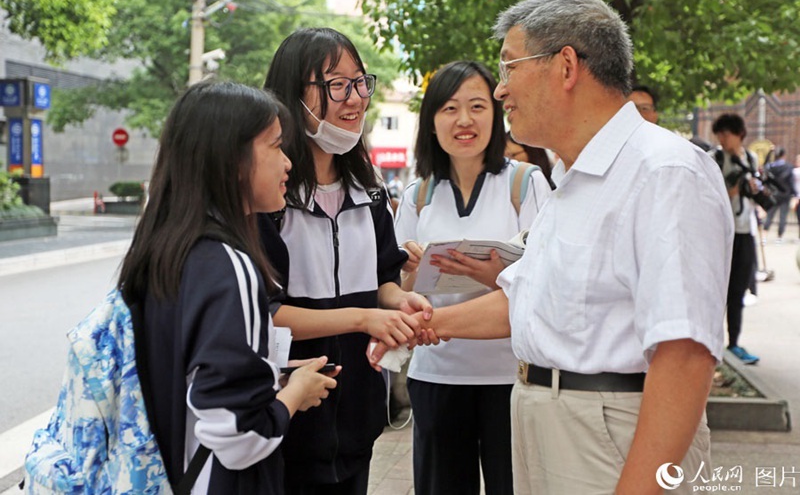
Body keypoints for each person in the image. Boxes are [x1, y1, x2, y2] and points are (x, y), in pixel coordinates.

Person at [375, 0, 733, 495]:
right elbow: (525, 303)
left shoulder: (664, 171)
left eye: (508, 68)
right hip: (548, 423)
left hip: (606, 430)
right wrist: (414, 326)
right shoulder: (572, 177)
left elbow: (685, 353)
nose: (501, 92)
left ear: (565, 65)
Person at [118, 81, 340, 494]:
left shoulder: (167, 250)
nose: (288, 163)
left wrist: (269, 377)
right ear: (232, 159)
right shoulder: (228, 266)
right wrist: (295, 395)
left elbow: (193, 383)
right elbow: (240, 436)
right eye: (276, 146)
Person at [261, 27, 431, 495]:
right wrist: (362, 319)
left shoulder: (369, 189)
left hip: (358, 414)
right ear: (294, 94)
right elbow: (263, 315)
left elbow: (383, 279)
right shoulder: (270, 200)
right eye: (336, 84)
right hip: (289, 415)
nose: (354, 98)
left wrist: (400, 304)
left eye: (360, 82)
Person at [394, 60, 551, 495]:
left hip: (511, 378)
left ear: (496, 115)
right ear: (431, 122)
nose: (464, 120)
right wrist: (408, 272)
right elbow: (397, 295)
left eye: (477, 106)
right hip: (436, 377)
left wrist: (497, 272)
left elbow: (545, 277)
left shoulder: (527, 183)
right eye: (449, 109)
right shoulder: (417, 195)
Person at [712, 113, 762, 365]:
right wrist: (731, 189)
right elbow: (711, 197)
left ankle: (733, 343)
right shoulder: (715, 159)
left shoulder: (751, 158)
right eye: (719, 134)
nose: (722, 139)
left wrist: (754, 189)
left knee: (738, 290)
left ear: (739, 134)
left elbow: (756, 194)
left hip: (745, 232)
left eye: (726, 134)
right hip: (720, 235)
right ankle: (710, 343)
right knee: (714, 290)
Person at [763, 147, 797, 243]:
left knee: (770, 215)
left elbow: (764, 166)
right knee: (783, 216)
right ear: (783, 155)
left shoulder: (771, 166)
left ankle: (764, 236)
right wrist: (795, 194)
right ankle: (779, 237)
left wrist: (769, 153)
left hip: (773, 194)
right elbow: (791, 182)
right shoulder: (788, 167)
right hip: (785, 195)